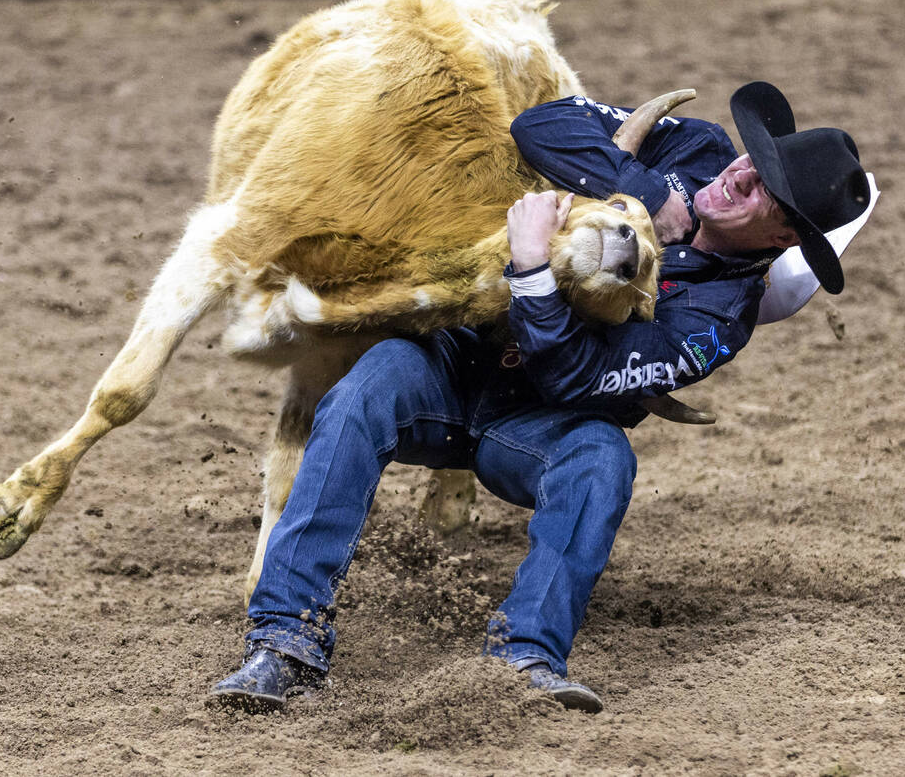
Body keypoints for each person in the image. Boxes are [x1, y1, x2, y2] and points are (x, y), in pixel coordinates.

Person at [206, 81, 871, 714]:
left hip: (535, 426)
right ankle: (283, 640)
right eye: (755, 160)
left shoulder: (719, 319)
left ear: (785, 239)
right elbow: (544, 126)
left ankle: (523, 656)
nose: (739, 177)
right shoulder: (695, 147)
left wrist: (530, 269)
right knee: (367, 387)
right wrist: (642, 190)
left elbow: (578, 380)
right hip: (451, 358)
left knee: (602, 457)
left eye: (765, 194)